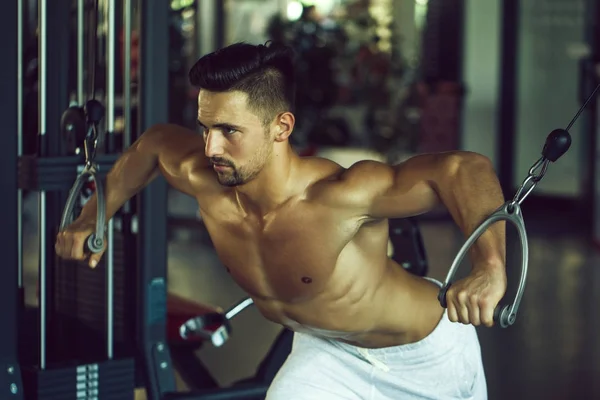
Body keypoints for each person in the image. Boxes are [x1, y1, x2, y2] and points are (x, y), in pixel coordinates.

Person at [55, 41, 507, 399]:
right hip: (327, 353)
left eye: (230, 131)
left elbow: (463, 169)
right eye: (205, 128)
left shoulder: (342, 196)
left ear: (281, 127)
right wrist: (92, 217)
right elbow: (152, 146)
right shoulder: (204, 175)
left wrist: (489, 267)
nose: (211, 148)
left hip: (426, 355)